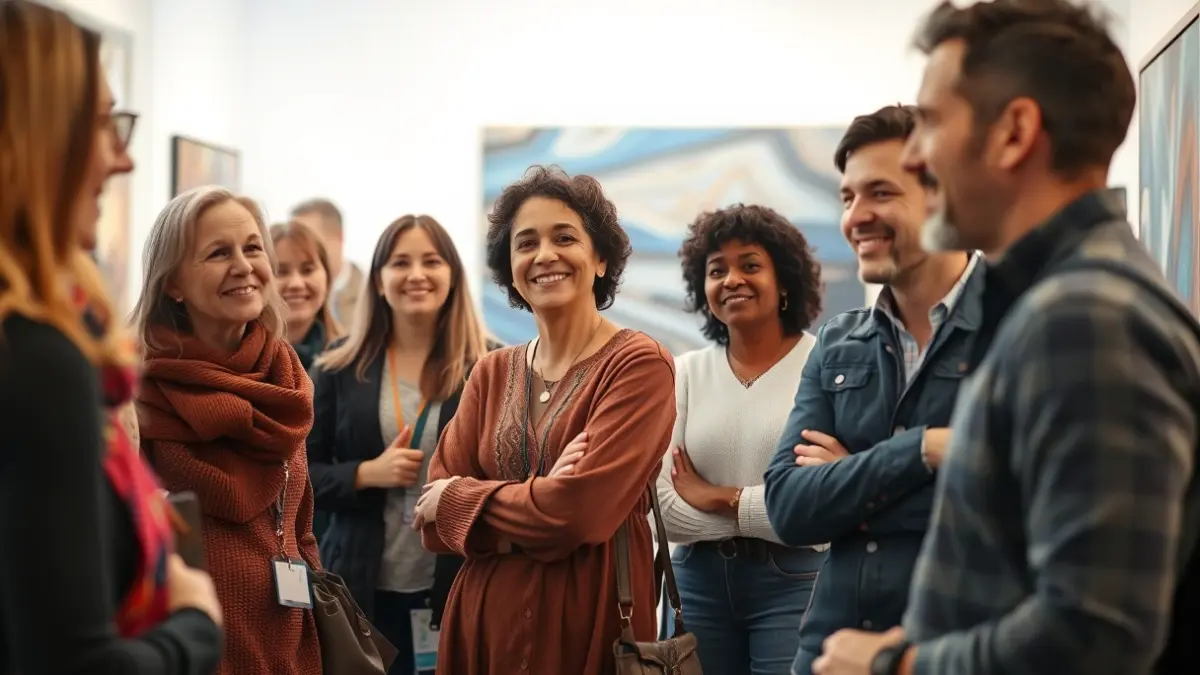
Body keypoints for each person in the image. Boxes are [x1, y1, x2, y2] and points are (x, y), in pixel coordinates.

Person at [812, 3, 1200, 675]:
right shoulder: (1052, 301)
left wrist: (895, 665)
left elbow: (1093, 635)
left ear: (1014, 132)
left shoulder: (1082, 317)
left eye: (930, 122)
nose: (913, 154)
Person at [0, 2, 222, 673]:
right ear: (38, 137)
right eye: (104, 124)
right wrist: (196, 625)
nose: (124, 159)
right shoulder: (31, 359)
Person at [415, 165, 675, 674]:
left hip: (592, 623)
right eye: (526, 243)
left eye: (565, 238)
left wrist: (464, 500)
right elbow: (431, 525)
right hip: (485, 623)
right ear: (510, 266)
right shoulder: (490, 372)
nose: (544, 256)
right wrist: (544, 496)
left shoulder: (640, 365)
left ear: (600, 258)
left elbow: (580, 514)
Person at [762, 104, 985, 675]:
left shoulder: (1016, 323)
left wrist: (851, 481)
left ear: (942, 195)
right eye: (847, 198)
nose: (856, 217)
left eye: (880, 193)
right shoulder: (838, 343)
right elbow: (788, 508)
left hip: (953, 655)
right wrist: (923, 452)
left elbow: (1008, 503)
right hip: (830, 657)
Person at [132, 187, 322, 675]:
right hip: (189, 649)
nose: (243, 265)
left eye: (253, 248)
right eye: (219, 253)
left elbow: (302, 531)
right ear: (173, 282)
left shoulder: (286, 380)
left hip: (291, 643)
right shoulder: (138, 393)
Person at [307, 214, 491, 674]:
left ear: (452, 274)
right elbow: (298, 477)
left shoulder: (491, 368)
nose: (416, 275)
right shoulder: (337, 368)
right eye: (400, 262)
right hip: (359, 588)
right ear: (379, 279)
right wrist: (364, 474)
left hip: (454, 584)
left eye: (431, 261)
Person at [656, 204, 826, 674]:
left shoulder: (824, 366)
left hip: (797, 581)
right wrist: (771, 513)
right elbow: (663, 511)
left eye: (750, 264)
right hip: (697, 582)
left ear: (785, 280)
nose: (731, 279)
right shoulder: (683, 374)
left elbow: (827, 510)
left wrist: (721, 498)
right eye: (716, 270)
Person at [270, 220, 344, 370]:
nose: (296, 283)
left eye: (307, 270)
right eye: (281, 272)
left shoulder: (350, 360)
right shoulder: (238, 362)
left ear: (328, 277)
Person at [291, 198, 362, 326]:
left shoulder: (373, 297)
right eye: (294, 240)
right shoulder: (282, 297)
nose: (299, 250)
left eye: (308, 240)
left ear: (339, 237)